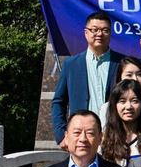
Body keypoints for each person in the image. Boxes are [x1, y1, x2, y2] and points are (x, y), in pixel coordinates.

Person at [51, 12, 124, 148]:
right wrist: (61, 135)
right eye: (94, 30)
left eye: (105, 30)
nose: (99, 34)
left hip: (116, 136)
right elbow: (59, 102)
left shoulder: (122, 63)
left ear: (110, 33)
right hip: (82, 138)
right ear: (86, 33)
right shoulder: (71, 64)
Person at [99, 57, 141, 128]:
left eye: (139, 74)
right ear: (120, 78)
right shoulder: (107, 108)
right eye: (129, 75)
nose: (135, 79)